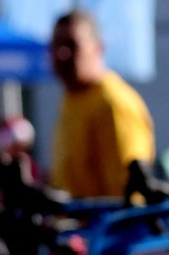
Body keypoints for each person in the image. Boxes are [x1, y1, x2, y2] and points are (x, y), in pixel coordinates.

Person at [48, 10, 156, 199]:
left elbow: (128, 192)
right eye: (56, 45)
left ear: (98, 48)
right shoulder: (72, 99)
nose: (62, 54)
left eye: (72, 45)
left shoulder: (113, 101)